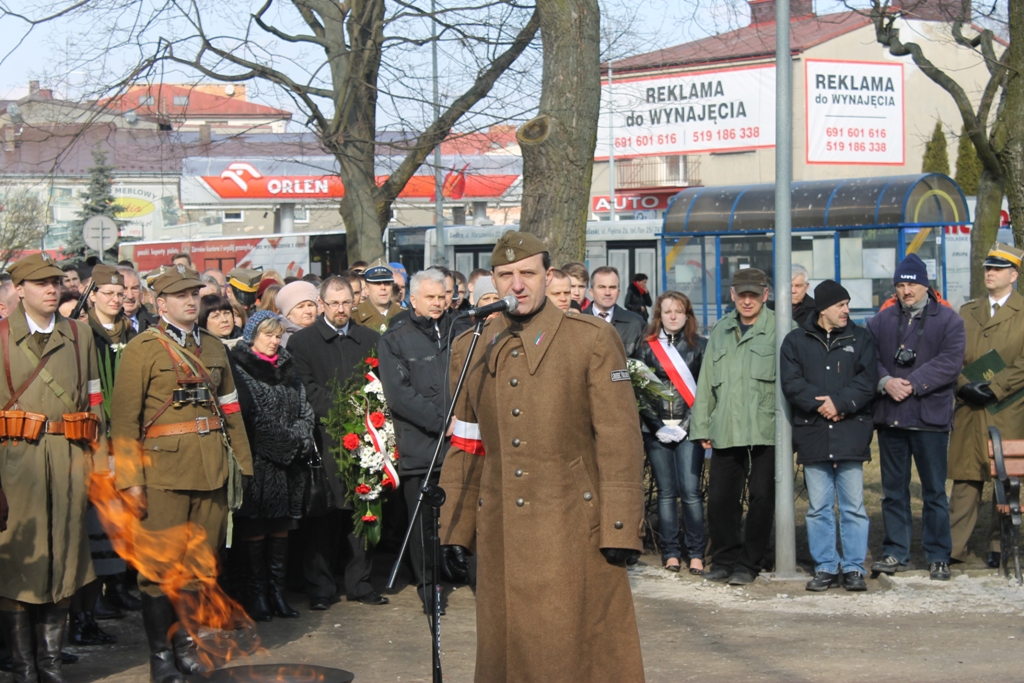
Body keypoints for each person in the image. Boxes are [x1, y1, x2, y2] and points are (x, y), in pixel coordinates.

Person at [439, 230, 646, 683]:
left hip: (572, 525)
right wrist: (456, 527)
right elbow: (467, 441)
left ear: (547, 276)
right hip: (500, 532)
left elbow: (619, 438)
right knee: (506, 654)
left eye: (527, 273)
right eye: (506, 275)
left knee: (574, 654)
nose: (517, 284)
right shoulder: (472, 346)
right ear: (492, 281)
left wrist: (620, 525)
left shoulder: (590, 338)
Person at [110, 265, 254, 683]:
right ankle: (160, 656)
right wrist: (130, 480)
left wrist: (242, 464)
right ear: (162, 303)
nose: (191, 301)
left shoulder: (213, 346)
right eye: (181, 295)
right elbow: (123, 422)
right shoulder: (142, 348)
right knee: (158, 571)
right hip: (162, 473)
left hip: (211, 468)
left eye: (195, 294)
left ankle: (185, 647)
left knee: (197, 567)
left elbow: (230, 409)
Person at [0, 253, 107, 683]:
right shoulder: (2, 336)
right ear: (18, 290)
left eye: (55, 282)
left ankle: (51, 664)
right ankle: (24, 668)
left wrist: (99, 467)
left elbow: (95, 403)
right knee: (17, 565)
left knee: (64, 559)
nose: (51, 289)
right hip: (14, 464)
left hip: (67, 460)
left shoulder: (80, 335)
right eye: (40, 283)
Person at [288, 276, 389, 609]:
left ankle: (360, 583)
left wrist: (368, 415)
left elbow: (380, 383)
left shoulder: (370, 339)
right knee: (324, 517)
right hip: (325, 439)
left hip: (364, 440)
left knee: (364, 509)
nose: (341, 309)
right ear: (321, 304)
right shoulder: (302, 343)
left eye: (346, 302)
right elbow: (307, 389)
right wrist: (349, 409)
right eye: (334, 303)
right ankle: (320, 587)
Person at [865, 253, 964, 581]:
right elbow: (870, 358)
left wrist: (913, 382)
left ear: (926, 285)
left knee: (934, 490)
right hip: (891, 417)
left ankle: (938, 555)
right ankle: (896, 551)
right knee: (894, 490)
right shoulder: (880, 321)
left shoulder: (949, 320)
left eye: (912, 284)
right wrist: (885, 382)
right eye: (901, 284)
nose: (906, 290)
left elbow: (951, 361)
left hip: (930, 419)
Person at [378, 269, 470, 614]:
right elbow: (399, 394)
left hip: (465, 443)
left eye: (442, 296)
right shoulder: (396, 338)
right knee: (424, 523)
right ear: (413, 299)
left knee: (464, 514)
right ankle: (429, 586)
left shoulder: (460, 329)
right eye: (430, 297)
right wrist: (442, 422)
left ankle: (464, 571)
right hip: (423, 444)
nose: (437, 302)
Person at [691, 268, 786, 585]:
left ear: (765, 295)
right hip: (726, 427)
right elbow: (705, 382)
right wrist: (702, 426)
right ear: (732, 294)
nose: (747, 301)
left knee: (762, 497)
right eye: (742, 294)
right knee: (720, 499)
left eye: (754, 295)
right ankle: (724, 559)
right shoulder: (720, 330)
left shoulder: (782, 328)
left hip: (766, 429)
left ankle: (750, 563)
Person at [780, 281, 877, 592]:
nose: (846, 310)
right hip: (814, 433)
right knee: (818, 506)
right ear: (823, 310)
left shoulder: (861, 338)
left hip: (850, 431)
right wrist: (822, 405)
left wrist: (841, 403)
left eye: (847, 304)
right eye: (840, 305)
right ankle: (825, 565)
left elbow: (867, 380)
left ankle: (853, 567)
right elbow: (791, 383)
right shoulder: (795, 340)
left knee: (853, 507)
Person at [229, 311, 315, 622]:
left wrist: (301, 438)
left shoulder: (287, 367)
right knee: (255, 531)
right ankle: (257, 596)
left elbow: (305, 411)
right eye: (267, 335)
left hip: (288, 468)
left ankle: (277, 594)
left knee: (281, 530)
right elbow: (252, 420)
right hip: (258, 464)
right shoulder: (239, 368)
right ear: (252, 336)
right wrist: (290, 445)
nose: (274, 341)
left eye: (278, 336)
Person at [73, 264, 140, 643]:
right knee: (97, 521)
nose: (118, 299)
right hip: (97, 438)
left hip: (128, 437)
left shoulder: (132, 332)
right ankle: (91, 603)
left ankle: (118, 586)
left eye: (122, 293)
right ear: (92, 296)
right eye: (110, 294)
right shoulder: (83, 333)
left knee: (124, 519)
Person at [949, 243, 1024, 569]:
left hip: (1007, 407)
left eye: (996, 269)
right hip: (969, 409)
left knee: (1007, 481)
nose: (989, 273)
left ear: (1014, 274)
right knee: (965, 480)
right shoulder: (967, 311)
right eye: (987, 268)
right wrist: (964, 385)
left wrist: (994, 388)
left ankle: (1002, 545)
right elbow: (950, 354)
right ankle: (953, 549)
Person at [632, 291, 706, 574]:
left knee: (690, 492)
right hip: (656, 430)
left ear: (687, 315)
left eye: (678, 311)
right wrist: (658, 426)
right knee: (665, 493)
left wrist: (686, 426)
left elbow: (706, 390)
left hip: (689, 430)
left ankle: (696, 552)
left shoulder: (701, 346)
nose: (672, 316)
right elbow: (640, 392)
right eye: (667, 312)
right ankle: (671, 552)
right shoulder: (645, 348)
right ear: (658, 316)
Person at [582, 266, 645, 356]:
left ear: (618, 292)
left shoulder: (636, 323)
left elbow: (641, 364)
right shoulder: (578, 322)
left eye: (612, 287)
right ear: (591, 292)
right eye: (602, 287)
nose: (607, 293)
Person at [352, 260, 402, 334]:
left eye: (387, 283)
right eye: (377, 283)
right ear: (367, 289)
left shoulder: (404, 315)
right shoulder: (354, 317)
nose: (383, 287)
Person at [275, 281, 319, 346]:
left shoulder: (324, 331)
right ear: (288, 314)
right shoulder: (280, 337)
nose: (308, 311)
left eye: (310, 305)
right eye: (300, 307)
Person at [118, 266, 158, 332]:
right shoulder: (103, 324)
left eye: (134, 288)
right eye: (124, 288)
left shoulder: (156, 322)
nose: (130, 296)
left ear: (141, 295)